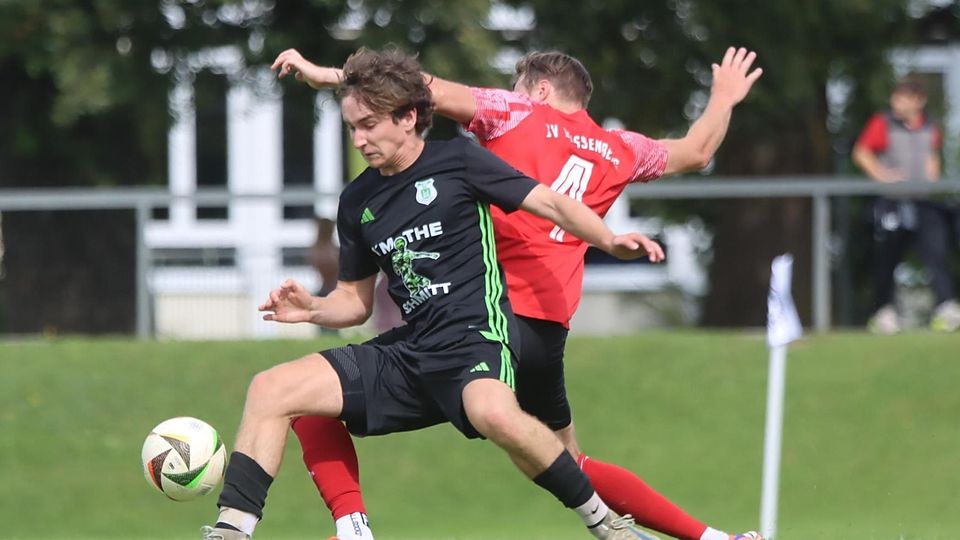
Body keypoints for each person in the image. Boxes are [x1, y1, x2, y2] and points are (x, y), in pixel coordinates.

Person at [273, 46, 763, 540]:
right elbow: (697, 151)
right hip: (546, 328)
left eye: (517, 83)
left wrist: (332, 76)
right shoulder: (620, 148)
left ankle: (352, 527)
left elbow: (413, 88)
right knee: (566, 461)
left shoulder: (516, 112)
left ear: (540, 89)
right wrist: (723, 97)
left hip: (484, 314)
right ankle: (713, 538)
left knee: (313, 394)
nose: (509, 92)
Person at [852, 74, 960, 334]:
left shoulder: (930, 126)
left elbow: (932, 157)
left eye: (903, 98)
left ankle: (946, 308)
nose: (896, 103)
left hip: (922, 201)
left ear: (919, 100)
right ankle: (884, 311)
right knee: (887, 257)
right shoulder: (883, 122)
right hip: (891, 202)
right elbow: (861, 153)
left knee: (936, 253)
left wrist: (932, 181)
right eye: (895, 98)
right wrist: (883, 176)